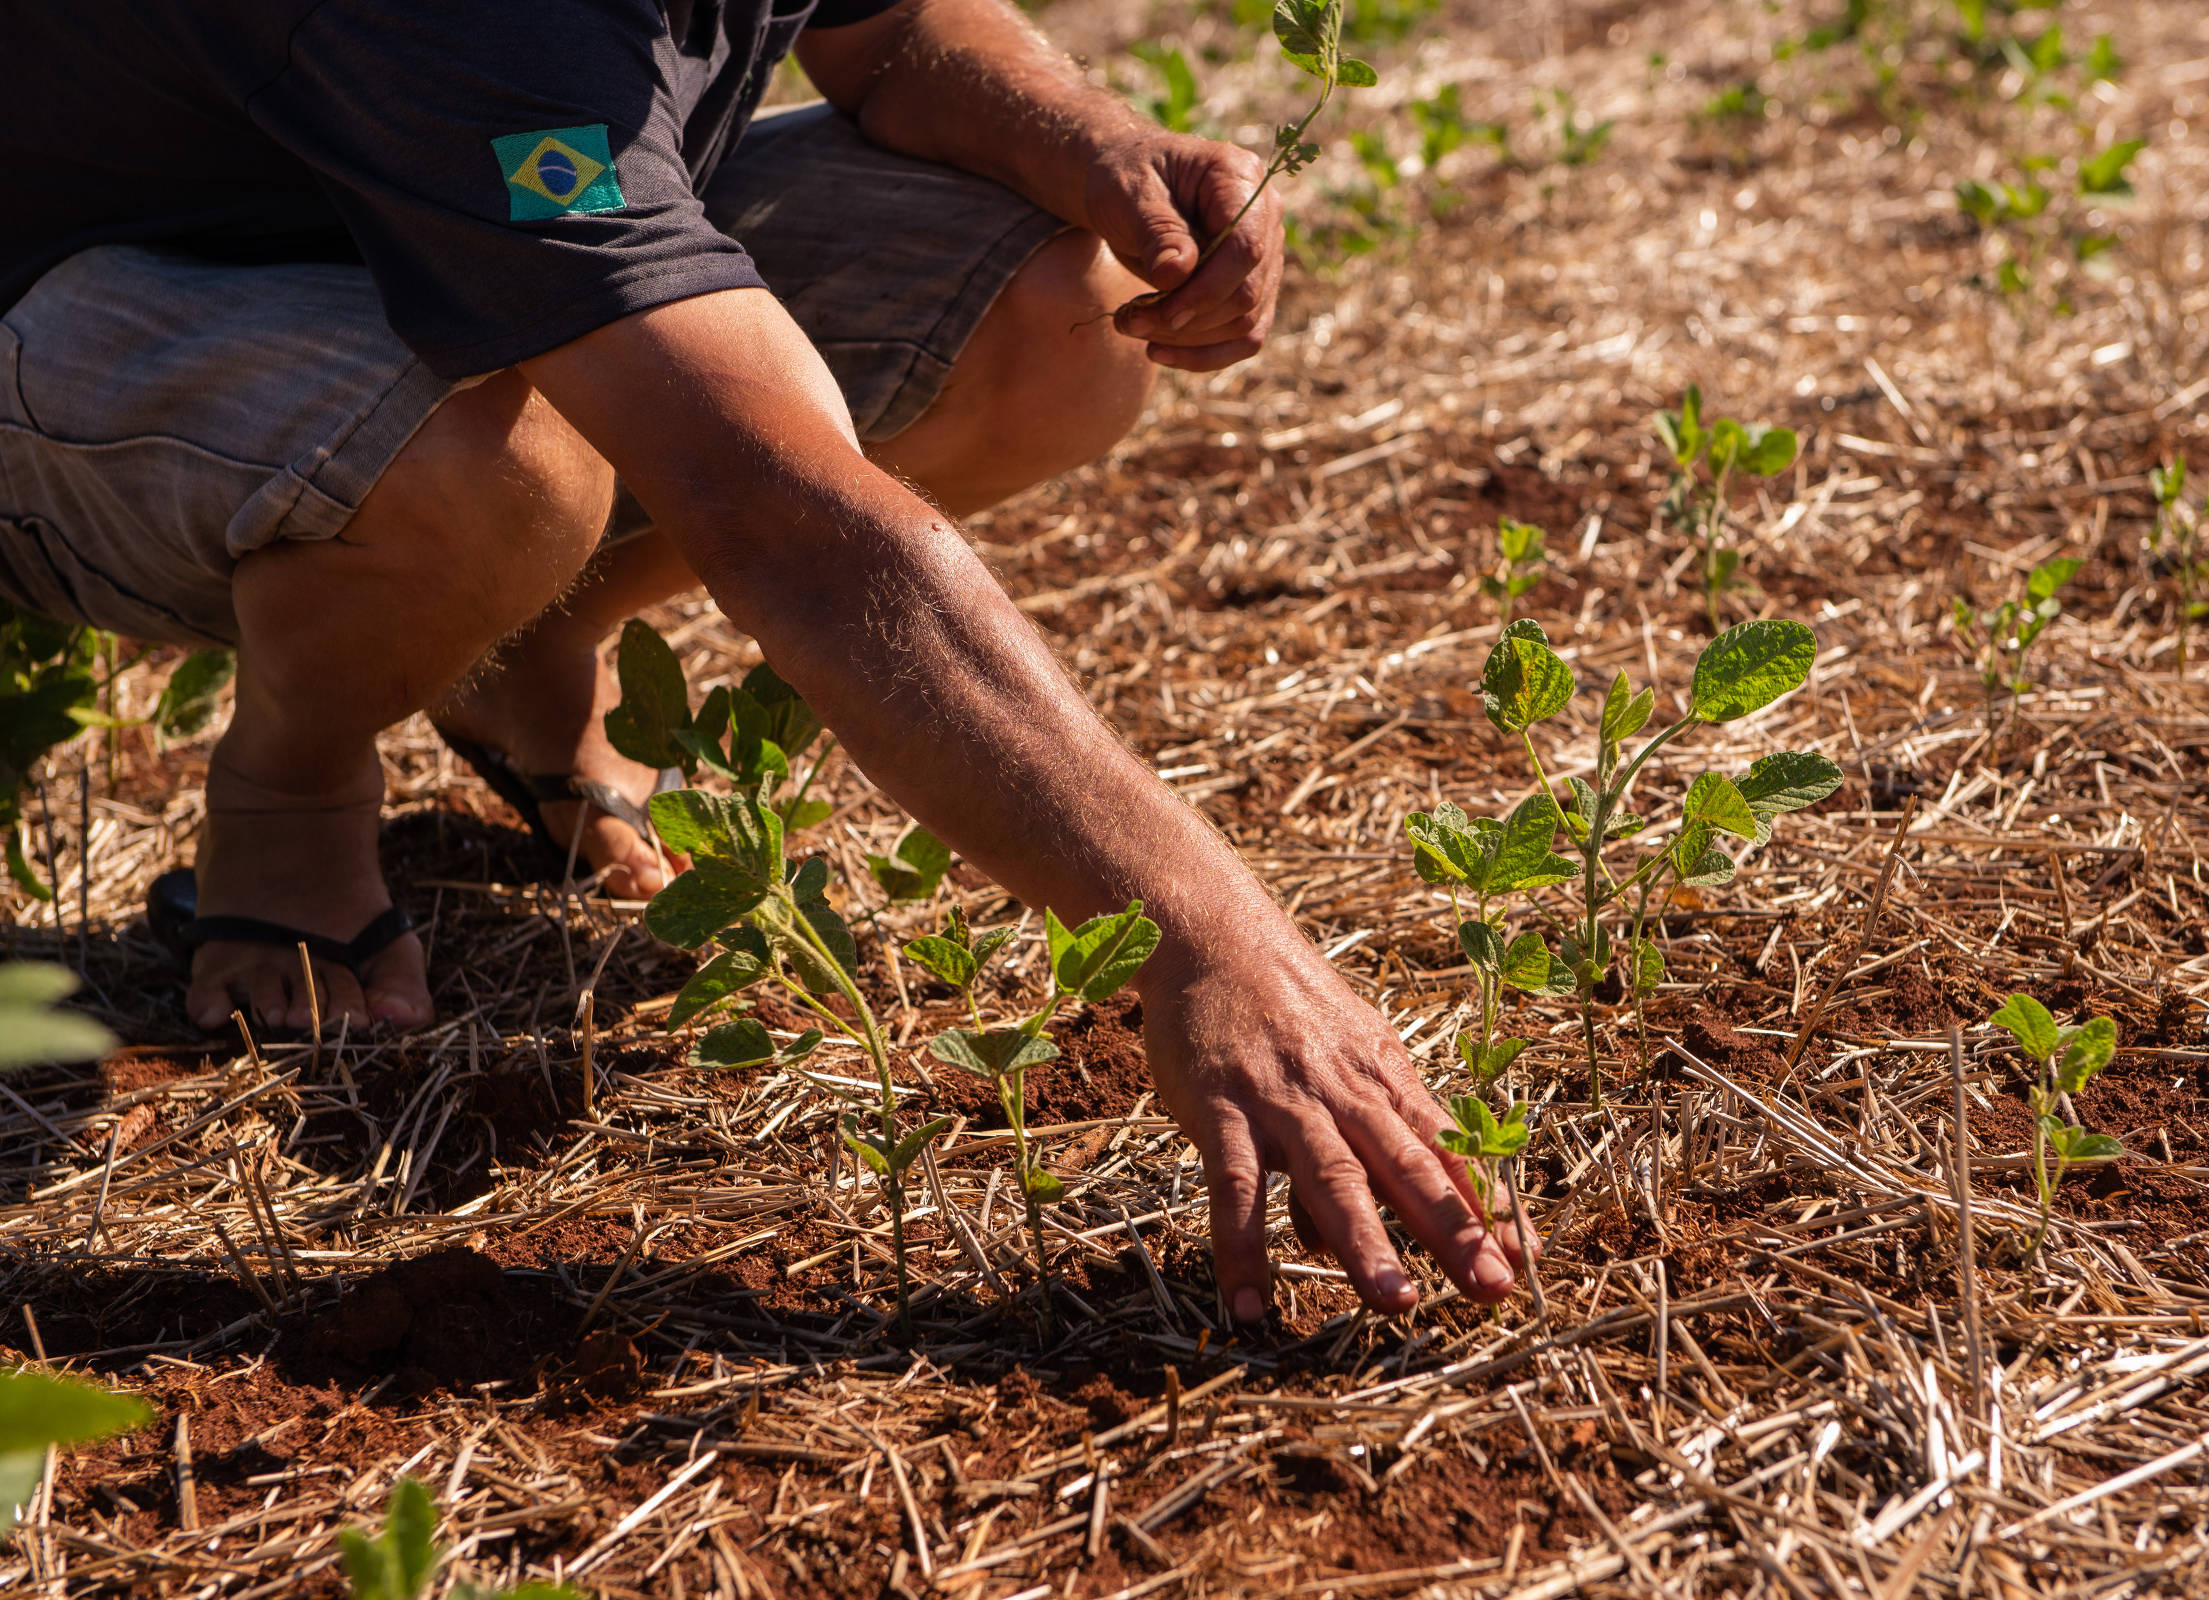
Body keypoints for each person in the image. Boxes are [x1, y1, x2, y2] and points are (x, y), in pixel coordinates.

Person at [0, 0, 1523, 1321]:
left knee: (1071, 298)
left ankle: (515, 644)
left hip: (430, 210)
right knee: (492, 463)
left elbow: (898, 37)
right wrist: (1206, 936)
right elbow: (782, 514)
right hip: (87, 315)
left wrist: (1084, 132)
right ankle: (291, 785)